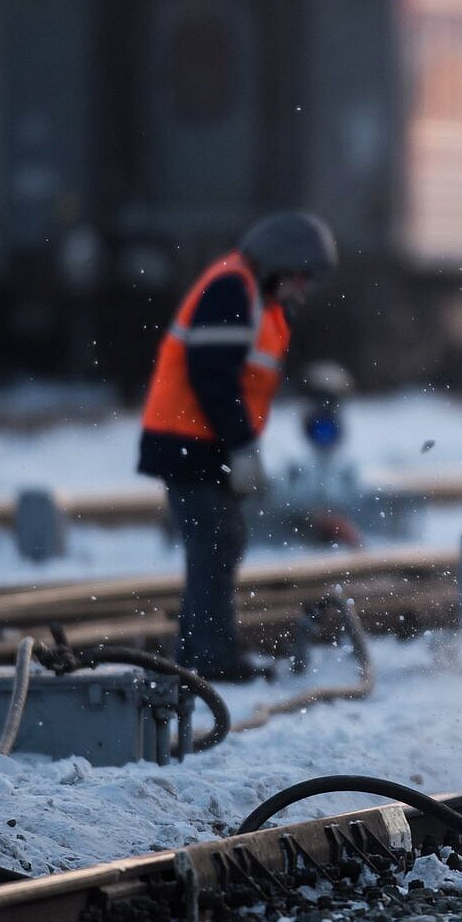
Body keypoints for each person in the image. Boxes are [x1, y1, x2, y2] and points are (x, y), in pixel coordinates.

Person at [137, 213, 338, 680]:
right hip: (188, 442)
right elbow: (213, 377)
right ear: (277, 264)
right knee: (213, 544)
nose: (303, 288)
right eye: (300, 275)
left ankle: (197, 650)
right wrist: (243, 445)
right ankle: (209, 657)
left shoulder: (253, 295)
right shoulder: (232, 288)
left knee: (220, 542)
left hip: (202, 442)